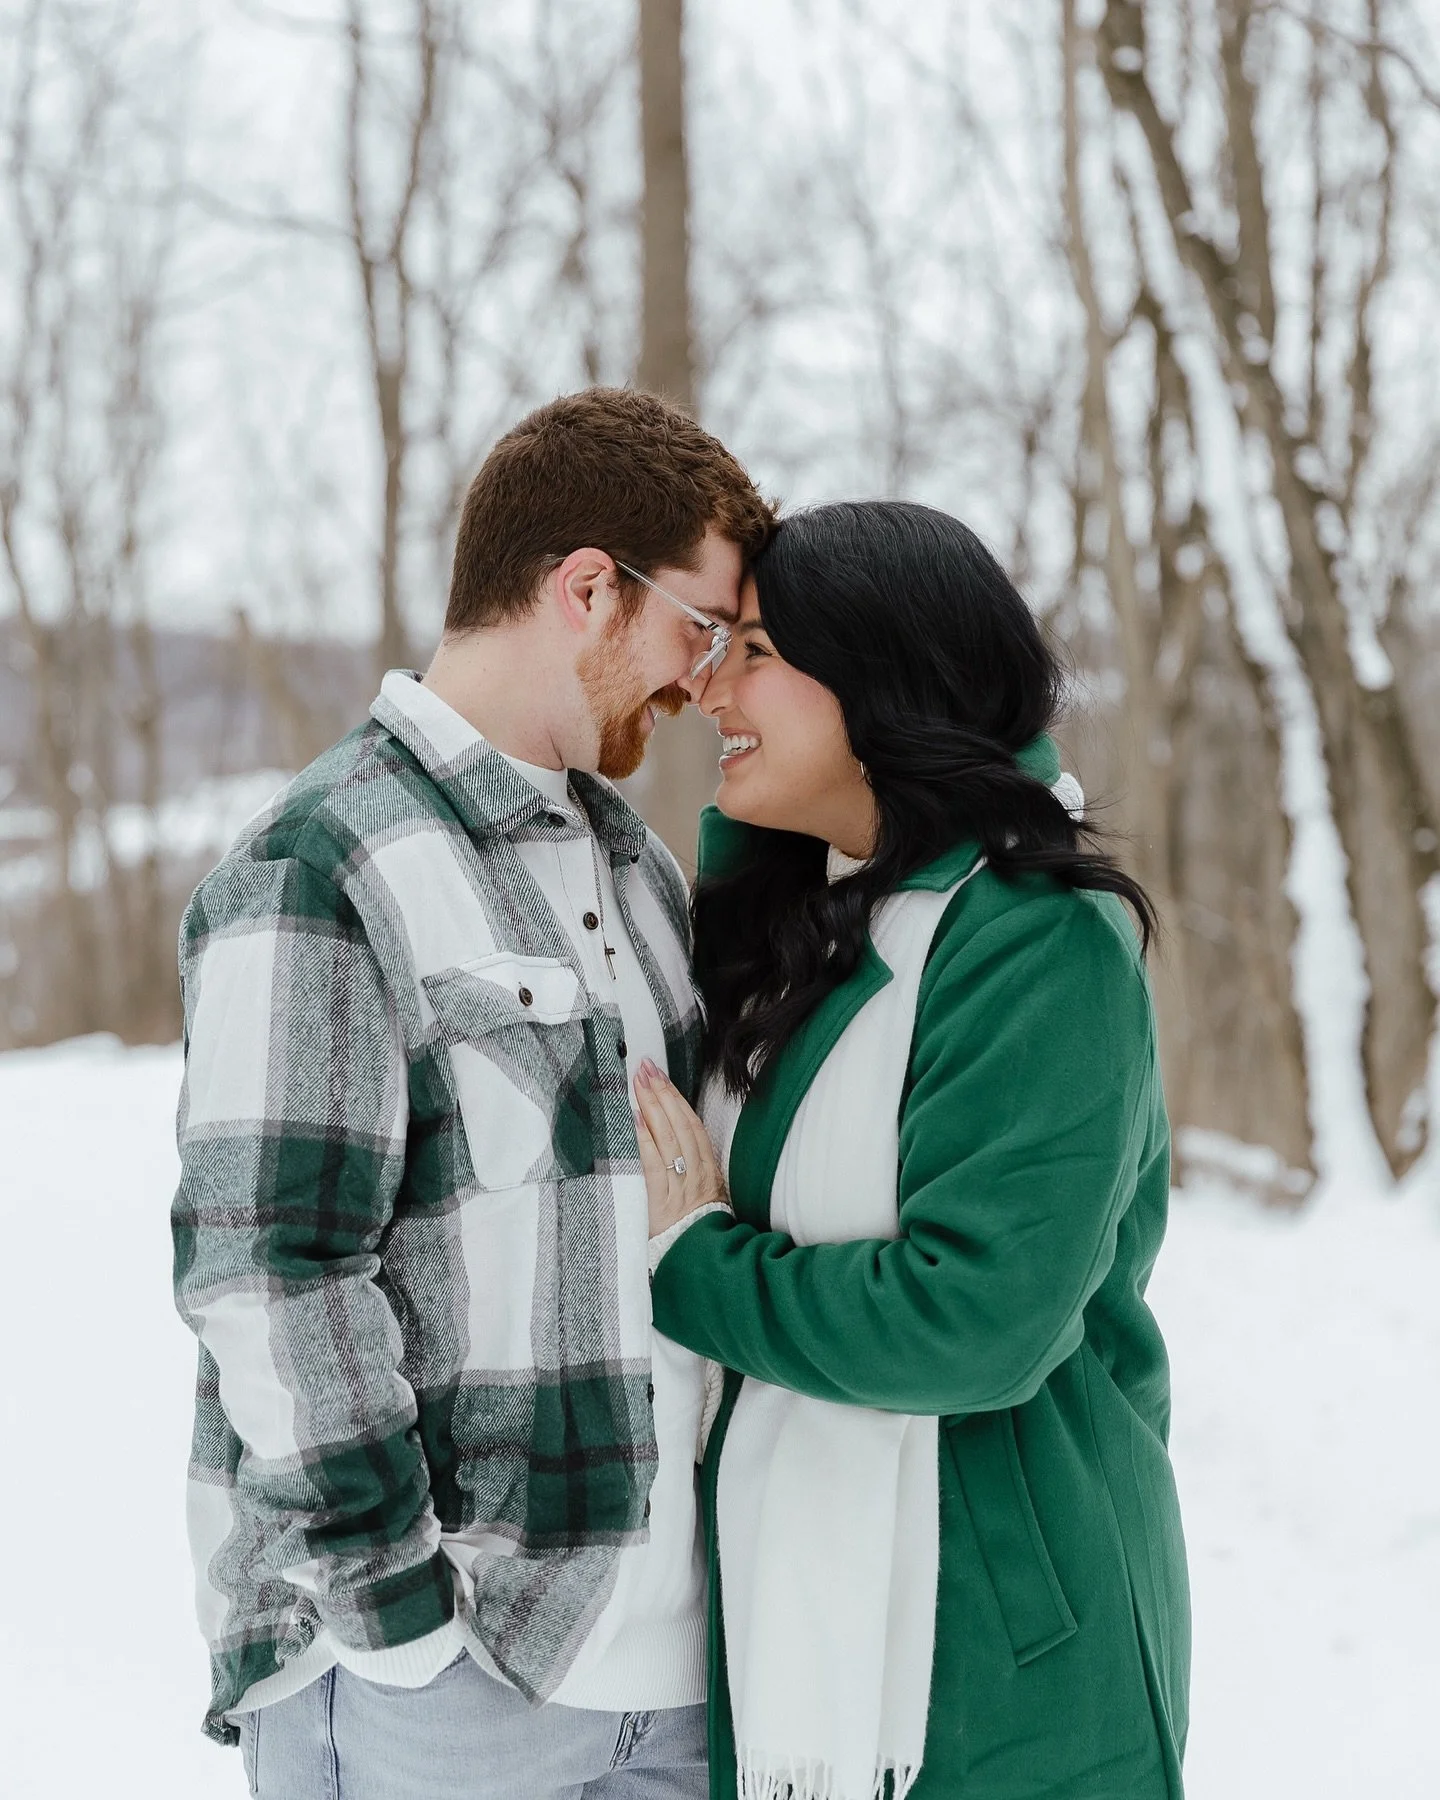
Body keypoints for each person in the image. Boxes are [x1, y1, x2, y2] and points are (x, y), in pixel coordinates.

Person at [171, 386, 774, 1799]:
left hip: (670, 1689)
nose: (703, 680)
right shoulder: (319, 863)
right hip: (444, 1697)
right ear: (586, 589)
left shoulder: (640, 871)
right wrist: (403, 1632)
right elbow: (272, 1278)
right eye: (699, 626)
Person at [633, 500, 1191, 1800]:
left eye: (759, 651)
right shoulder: (823, 926)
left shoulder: (1032, 941)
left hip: (1003, 1648)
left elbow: (976, 1318)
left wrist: (695, 1266)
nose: (713, 682)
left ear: (881, 676)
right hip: (811, 1607)